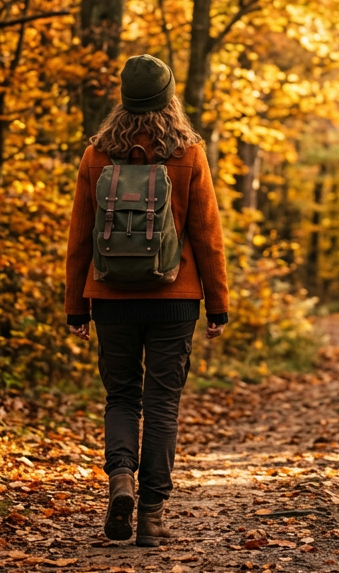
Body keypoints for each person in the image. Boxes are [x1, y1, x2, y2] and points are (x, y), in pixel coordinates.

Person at [64, 54, 229, 547]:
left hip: (110, 296)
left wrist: (77, 305)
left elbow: (80, 237)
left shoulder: (97, 154)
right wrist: (217, 305)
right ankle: (152, 516)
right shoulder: (188, 153)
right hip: (174, 298)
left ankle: (121, 482)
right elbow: (207, 235)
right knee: (161, 404)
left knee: (121, 398)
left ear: (123, 97)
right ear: (168, 97)